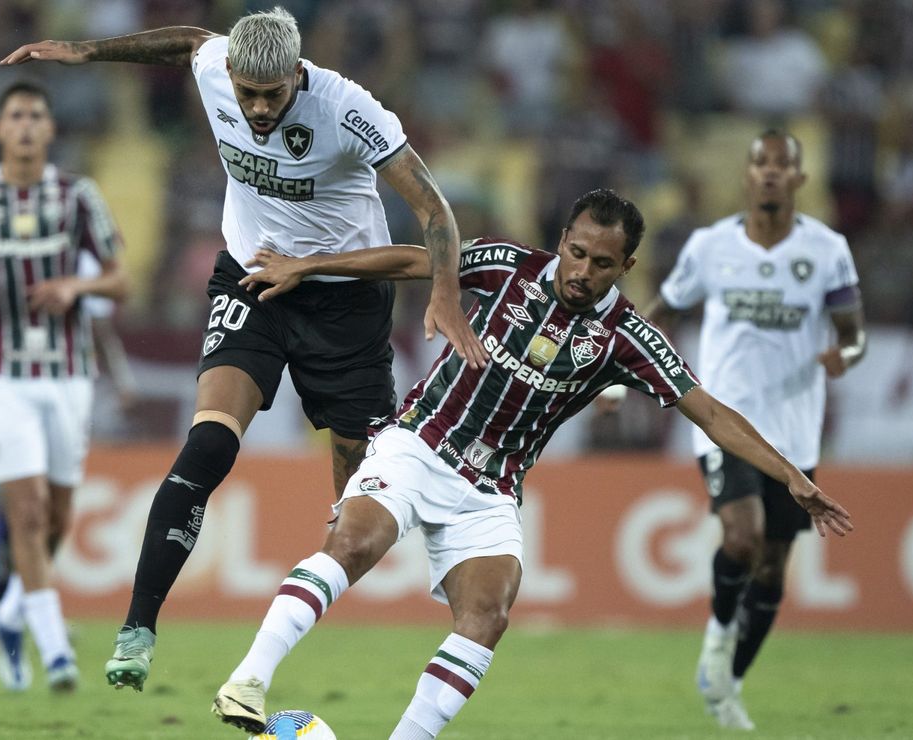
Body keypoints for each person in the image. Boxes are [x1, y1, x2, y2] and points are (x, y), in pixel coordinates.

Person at [208, 189, 854, 737]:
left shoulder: (628, 337)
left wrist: (793, 478)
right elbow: (414, 259)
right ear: (563, 240)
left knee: (489, 614)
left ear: (625, 265)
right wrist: (307, 266)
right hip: (420, 444)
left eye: (602, 263)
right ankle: (247, 681)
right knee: (355, 542)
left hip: (491, 490)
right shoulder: (507, 265)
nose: (582, 272)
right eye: (576, 253)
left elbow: (709, 412)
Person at [0, 6, 486, 692]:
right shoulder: (212, 66)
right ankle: (138, 629)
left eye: (273, 94)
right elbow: (188, 42)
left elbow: (434, 208)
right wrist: (85, 52)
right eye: (246, 93)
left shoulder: (350, 110)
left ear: (297, 72)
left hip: (346, 300)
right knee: (209, 446)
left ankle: (356, 595)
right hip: (254, 277)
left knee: (357, 500)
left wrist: (444, 293)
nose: (258, 109)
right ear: (231, 72)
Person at [643, 130, 867, 730]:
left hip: (795, 433)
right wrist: (617, 371)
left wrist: (847, 353)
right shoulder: (710, 246)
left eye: (781, 165)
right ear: (746, 175)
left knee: (771, 568)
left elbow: (854, 330)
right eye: (760, 163)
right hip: (725, 422)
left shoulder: (826, 250)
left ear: (798, 178)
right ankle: (718, 635)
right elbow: (664, 311)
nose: (770, 173)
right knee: (742, 537)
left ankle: (728, 682)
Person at [0, 79, 130, 692]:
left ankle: (10, 617)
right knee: (28, 511)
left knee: (59, 517)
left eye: (38, 114)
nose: (28, 125)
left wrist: (76, 288)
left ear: (52, 129)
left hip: (68, 373)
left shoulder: (77, 197)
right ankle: (56, 651)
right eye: (17, 115)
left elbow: (118, 281)